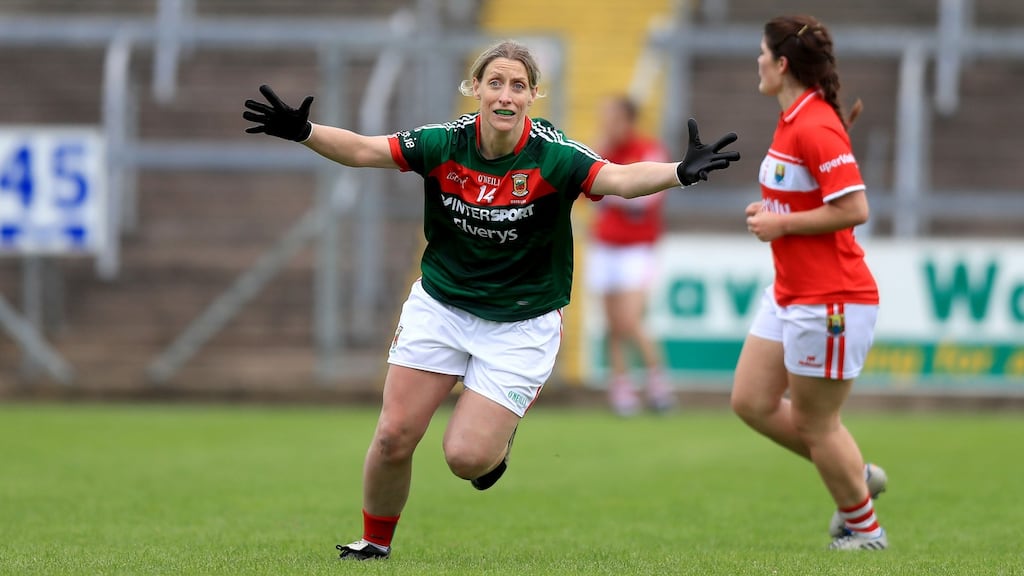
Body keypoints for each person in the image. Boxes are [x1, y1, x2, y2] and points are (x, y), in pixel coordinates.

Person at [242, 40, 740, 560]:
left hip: (522, 322)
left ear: (532, 96)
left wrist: (678, 172)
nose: (506, 95)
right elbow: (367, 150)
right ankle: (374, 544)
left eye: (518, 86)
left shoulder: (553, 154)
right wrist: (304, 132)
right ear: (476, 88)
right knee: (393, 436)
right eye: (495, 83)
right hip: (442, 306)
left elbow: (615, 177)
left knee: (465, 458)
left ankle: (495, 446)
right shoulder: (444, 143)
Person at [731, 15, 888, 551]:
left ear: (781, 64)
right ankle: (852, 473)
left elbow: (855, 208)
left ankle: (865, 532)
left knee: (818, 424)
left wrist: (782, 223)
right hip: (790, 290)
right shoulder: (791, 117)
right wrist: (775, 209)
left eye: (761, 53)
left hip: (831, 299)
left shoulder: (815, 124)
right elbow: (805, 197)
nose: (756, 61)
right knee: (751, 400)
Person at [587, 96, 673, 415]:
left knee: (630, 320)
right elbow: (586, 190)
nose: (607, 124)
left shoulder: (648, 150)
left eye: (612, 117)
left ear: (628, 119)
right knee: (611, 322)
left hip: (636, 248)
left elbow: (646, 198)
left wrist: (612, 190)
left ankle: (657, 382)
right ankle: (621, 388)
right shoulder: (601, 152)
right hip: (605, 245)